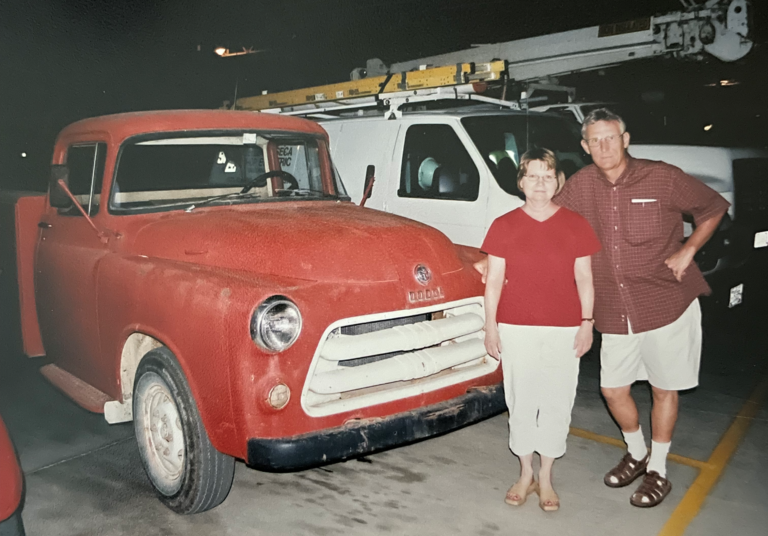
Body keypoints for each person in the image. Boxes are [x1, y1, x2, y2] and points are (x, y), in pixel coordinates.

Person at [553, 108, 730, 507]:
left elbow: (713, 207)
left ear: (626, 139)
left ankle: (659, 470)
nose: (603, 146)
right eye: (594, 140)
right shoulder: (581, 186)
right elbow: (548, 222)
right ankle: (637, 452)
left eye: (610, 137)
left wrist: (688, 250)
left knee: (663, 389)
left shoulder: (662, 176)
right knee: (612, 389)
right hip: (614, 309)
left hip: (666, 301)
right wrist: (494, 255)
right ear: (584, 147)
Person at [482, 147, 601, 512]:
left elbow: (585, 279)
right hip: (516, 327)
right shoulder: (503, 225)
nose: (540, 183)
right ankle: (524, 473)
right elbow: (494, 283)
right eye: (532, 176)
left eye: (547, 176)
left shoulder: (576, 224)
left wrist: (587, 324)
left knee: (557, 401)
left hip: (565, 330)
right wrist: (490, 327)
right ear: (521, 182)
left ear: (557, 182)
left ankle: (546, 478)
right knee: (520, 401)